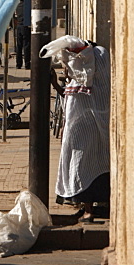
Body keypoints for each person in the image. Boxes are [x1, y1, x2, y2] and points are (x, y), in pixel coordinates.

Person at [39, 35, 111, 221]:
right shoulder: (78, 82)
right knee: (80, 167)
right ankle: (84, 206)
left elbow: (80, 99)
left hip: (88, 131)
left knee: (83, 166)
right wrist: (55, 84)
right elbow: (69, 99)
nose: (66, 69)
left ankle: (89, 210)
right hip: (80, 130)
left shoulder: (90, 82)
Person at [15, 0, 31, 70]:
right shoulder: (27, 6)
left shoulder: (18, 6)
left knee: (19, 46)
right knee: (26, 46)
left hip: (18, 26)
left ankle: (18, 64)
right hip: (25, 26)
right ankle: (27, 64)